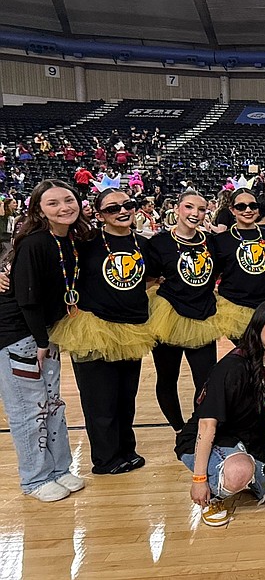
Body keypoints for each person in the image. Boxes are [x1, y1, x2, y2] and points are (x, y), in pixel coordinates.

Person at [50, 189, 155, 475]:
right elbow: (49, 259)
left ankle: (126, 449)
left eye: (127, 205)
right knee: (100, 400)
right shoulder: (84, 242)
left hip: (131, 329)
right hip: (93, 328)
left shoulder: (143, 243)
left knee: (125, 397)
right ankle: (106, 459)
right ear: (98, 215)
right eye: (112, 209)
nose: (122, 211)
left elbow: (156, 275)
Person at [0, 180, 90, 501]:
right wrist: (40, 341)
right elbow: (27, 299)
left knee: (53, 404)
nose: (64, 207)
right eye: (53, 203)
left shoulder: (69, 240)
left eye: (69, 200)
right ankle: (34, 479)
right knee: (29, 409)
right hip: (18, 334)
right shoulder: (35, 242)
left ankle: (59, 469)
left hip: (43, 334)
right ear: (38, 210)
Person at [176, 300, 265, 526]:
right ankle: (214, 495)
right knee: (239, 471)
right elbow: (206, 426)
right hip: (212, 440)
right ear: (258, 327)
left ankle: (247, 476)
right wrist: (199, 479)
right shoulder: (233, 367)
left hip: (252, 441)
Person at [146, 192, 224, 430]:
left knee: (206, 380)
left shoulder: (211, 241)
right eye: (189, 207)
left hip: (203, 315)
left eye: (201, 210)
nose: (195, 214)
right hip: (168, 315)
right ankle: (179, 428)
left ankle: (198, 427)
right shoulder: (159, 243)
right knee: (168, 377)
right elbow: (148, 279)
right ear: (178, 209)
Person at [213, 188, 265, 342]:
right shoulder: (221, 240)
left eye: (253, 206)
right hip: (234, 307)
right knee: (248, 356)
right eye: (241, 207)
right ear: (232, 210)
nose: (248, 210)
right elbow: (213, 274)